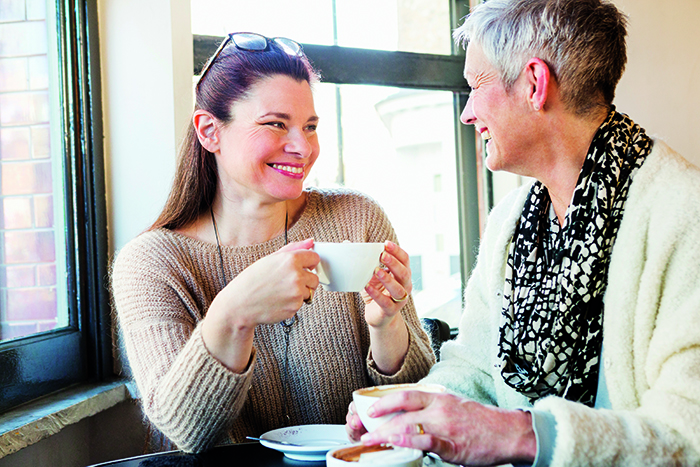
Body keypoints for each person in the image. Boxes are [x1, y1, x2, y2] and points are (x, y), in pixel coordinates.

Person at [345, 1, 700, 465]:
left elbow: (688, 434)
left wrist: (521, 435)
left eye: (476, 86)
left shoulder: (683, 213)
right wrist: (411, 418)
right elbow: (472, 368)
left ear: (535, 83)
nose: (466, 113)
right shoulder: (509, 220)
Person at [111, 32, 435, 454]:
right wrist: (234, 313)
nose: (302, 147)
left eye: (310, 126)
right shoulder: (151, 264)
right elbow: (186, 432)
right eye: (276, 124)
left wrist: (387, 326)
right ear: (210, 131)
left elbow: (420, 402)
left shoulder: (356, 221)